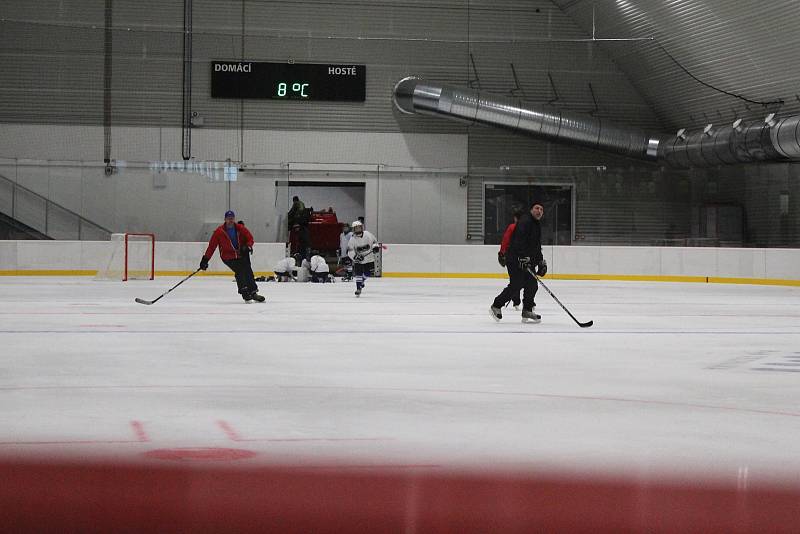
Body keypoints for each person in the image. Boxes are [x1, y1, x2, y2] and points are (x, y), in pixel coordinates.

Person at [490, 203, 547, 323]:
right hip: (515, 259)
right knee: (517, 284)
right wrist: (521, 257)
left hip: (526, 260)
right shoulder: (525, 222)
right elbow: (517, 241)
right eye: (537, 208)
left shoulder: (536, 225)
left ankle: (527, 310)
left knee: (532, 285)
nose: (539, 211)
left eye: (541, 209)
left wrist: (540, 261)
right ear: (531, 210)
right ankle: (496, 305)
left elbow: (536, 246)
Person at [199, 210, 265, 303]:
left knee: (248, 270)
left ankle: (253, 292)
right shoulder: (219, 232)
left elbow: (250, 238)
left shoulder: (240, 228)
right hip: (227, 257)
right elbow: (211, 247)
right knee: (240, 270)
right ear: (225, 219)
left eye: (232, 218)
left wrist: (247, 246)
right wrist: (205, 260)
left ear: (234, 219)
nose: (230, 220)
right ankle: (244, 292)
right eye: (228, 219)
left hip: (241, 254)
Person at [347, 220, 379, 297]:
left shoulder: (368, 234)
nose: (358, 229)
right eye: (356, 228)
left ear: (362, 227)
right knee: (358, 274)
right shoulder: (352, 239)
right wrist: (356, 257)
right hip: (359, 261)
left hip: (369, 258)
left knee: (368, 273)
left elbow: (374, 241)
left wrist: (375, 247)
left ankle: (362, 281)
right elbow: (350, 251)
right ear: (354, 229)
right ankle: (358, 288)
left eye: (359, 228)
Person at [498, 210, 523, 310]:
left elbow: (505, 240)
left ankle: (516, 301)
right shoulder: (527, 228)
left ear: (515, 218)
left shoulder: (512, 227)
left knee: (514, 280)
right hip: (523, 257)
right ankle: (529, 302)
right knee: (525, 279)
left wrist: (502, 253)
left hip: (511, 256)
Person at [287, 196, 310, 260]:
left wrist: (287, 216)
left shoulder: (296, 203)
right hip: (302, 220)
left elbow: (292, 211)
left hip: (298, 219)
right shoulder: (302, 203)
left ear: (294, 200)